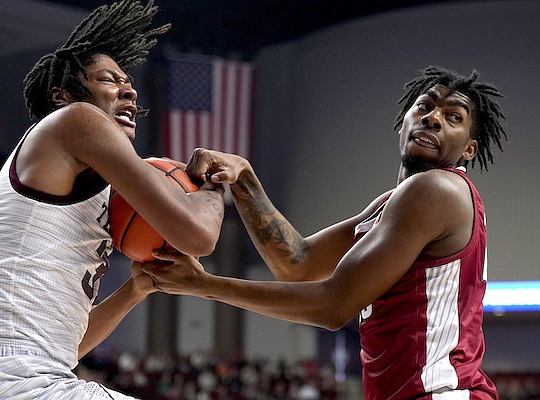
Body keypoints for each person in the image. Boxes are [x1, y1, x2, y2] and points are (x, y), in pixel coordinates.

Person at [140, 66, 508, 399]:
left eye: (453, 117)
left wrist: (201, 284)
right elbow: (298, 264)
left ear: (469, 149)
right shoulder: (393, 203)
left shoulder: (436, 190)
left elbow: (333, 306)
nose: (433, 118)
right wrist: (244, 181)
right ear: (403, 121)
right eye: (424, 106)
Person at [0, 0, 225, 399]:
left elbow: (65, 351)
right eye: (110, 80)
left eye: (129, 81)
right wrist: (215, 186)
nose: (129, 88)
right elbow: (199, 238)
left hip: (2, 379)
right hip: (9, 379)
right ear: (62, 96)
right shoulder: (77, 120)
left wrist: (134, 290)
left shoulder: (71, 175)